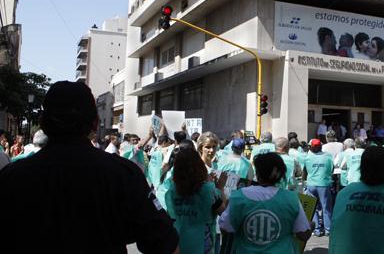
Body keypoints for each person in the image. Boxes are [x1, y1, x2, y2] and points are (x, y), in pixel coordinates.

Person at [0, 81, 179, 253]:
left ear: (43, 122)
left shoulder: (11, 177)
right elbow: (166, 244)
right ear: (95, 123)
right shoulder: (123, 175)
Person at [219, 152, 311, 253]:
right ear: (281, 175)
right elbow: (303, 234)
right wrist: (311, 226)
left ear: (257, 173)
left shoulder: (238, 197)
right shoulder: (291, 198)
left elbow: (225, 228)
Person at [165, 146, 228, 254]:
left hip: (178, 242)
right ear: (199, 166)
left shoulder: (171, 191)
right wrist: (220, 188)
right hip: (201, 243)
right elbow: (224, 213)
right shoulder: (209, 190)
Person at [304, 139, 334, 236]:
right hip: (324, 184)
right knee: (326, 208)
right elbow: (331, 169)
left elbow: (306, 171)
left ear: (311, 147)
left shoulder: (307, 157)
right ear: (321, 146)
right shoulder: (328, 156)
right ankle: (328, 229)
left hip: (311, 184)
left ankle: (316, 229)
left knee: (314, 207)